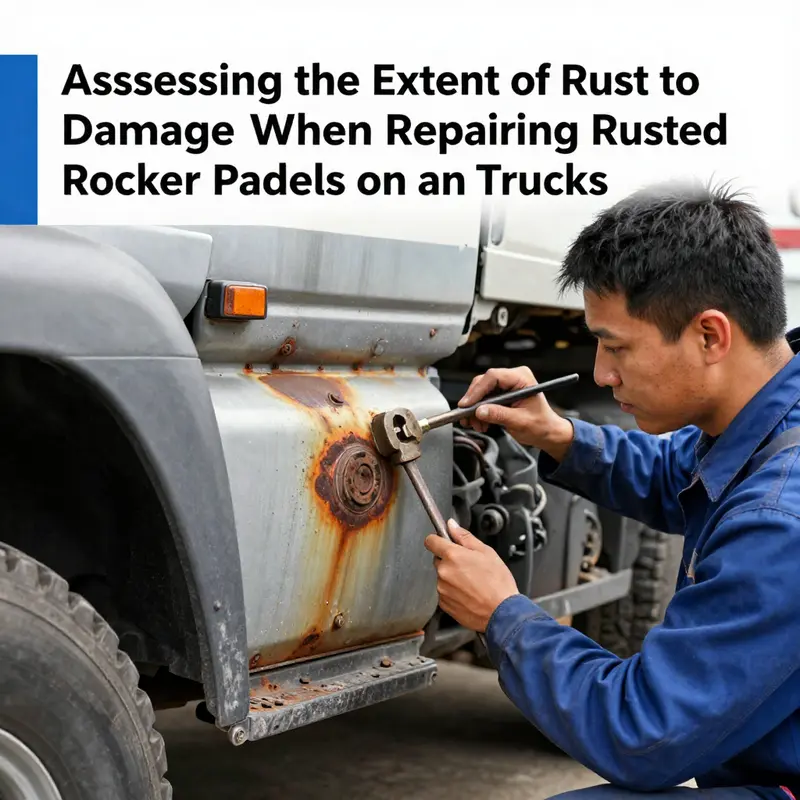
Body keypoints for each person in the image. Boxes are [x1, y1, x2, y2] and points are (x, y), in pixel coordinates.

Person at [425, 181, 800, 799]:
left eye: (616, 345)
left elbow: (641, 732)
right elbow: (675, 472)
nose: (601, 372)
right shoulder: (765, 422)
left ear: (710, 336)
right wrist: (559, 435)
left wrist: (503, 615)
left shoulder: (779, 519)